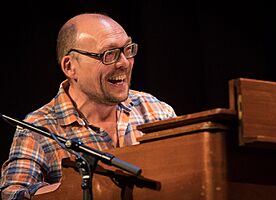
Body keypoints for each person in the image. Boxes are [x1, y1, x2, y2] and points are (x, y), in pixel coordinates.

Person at [0, 12, 176, 199]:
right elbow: (13, 194)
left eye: (127, 49)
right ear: (70, 67)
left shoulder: (155, 110)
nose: (124, 62)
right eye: (109, 54)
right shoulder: (38, 128)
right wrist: (78, 188)